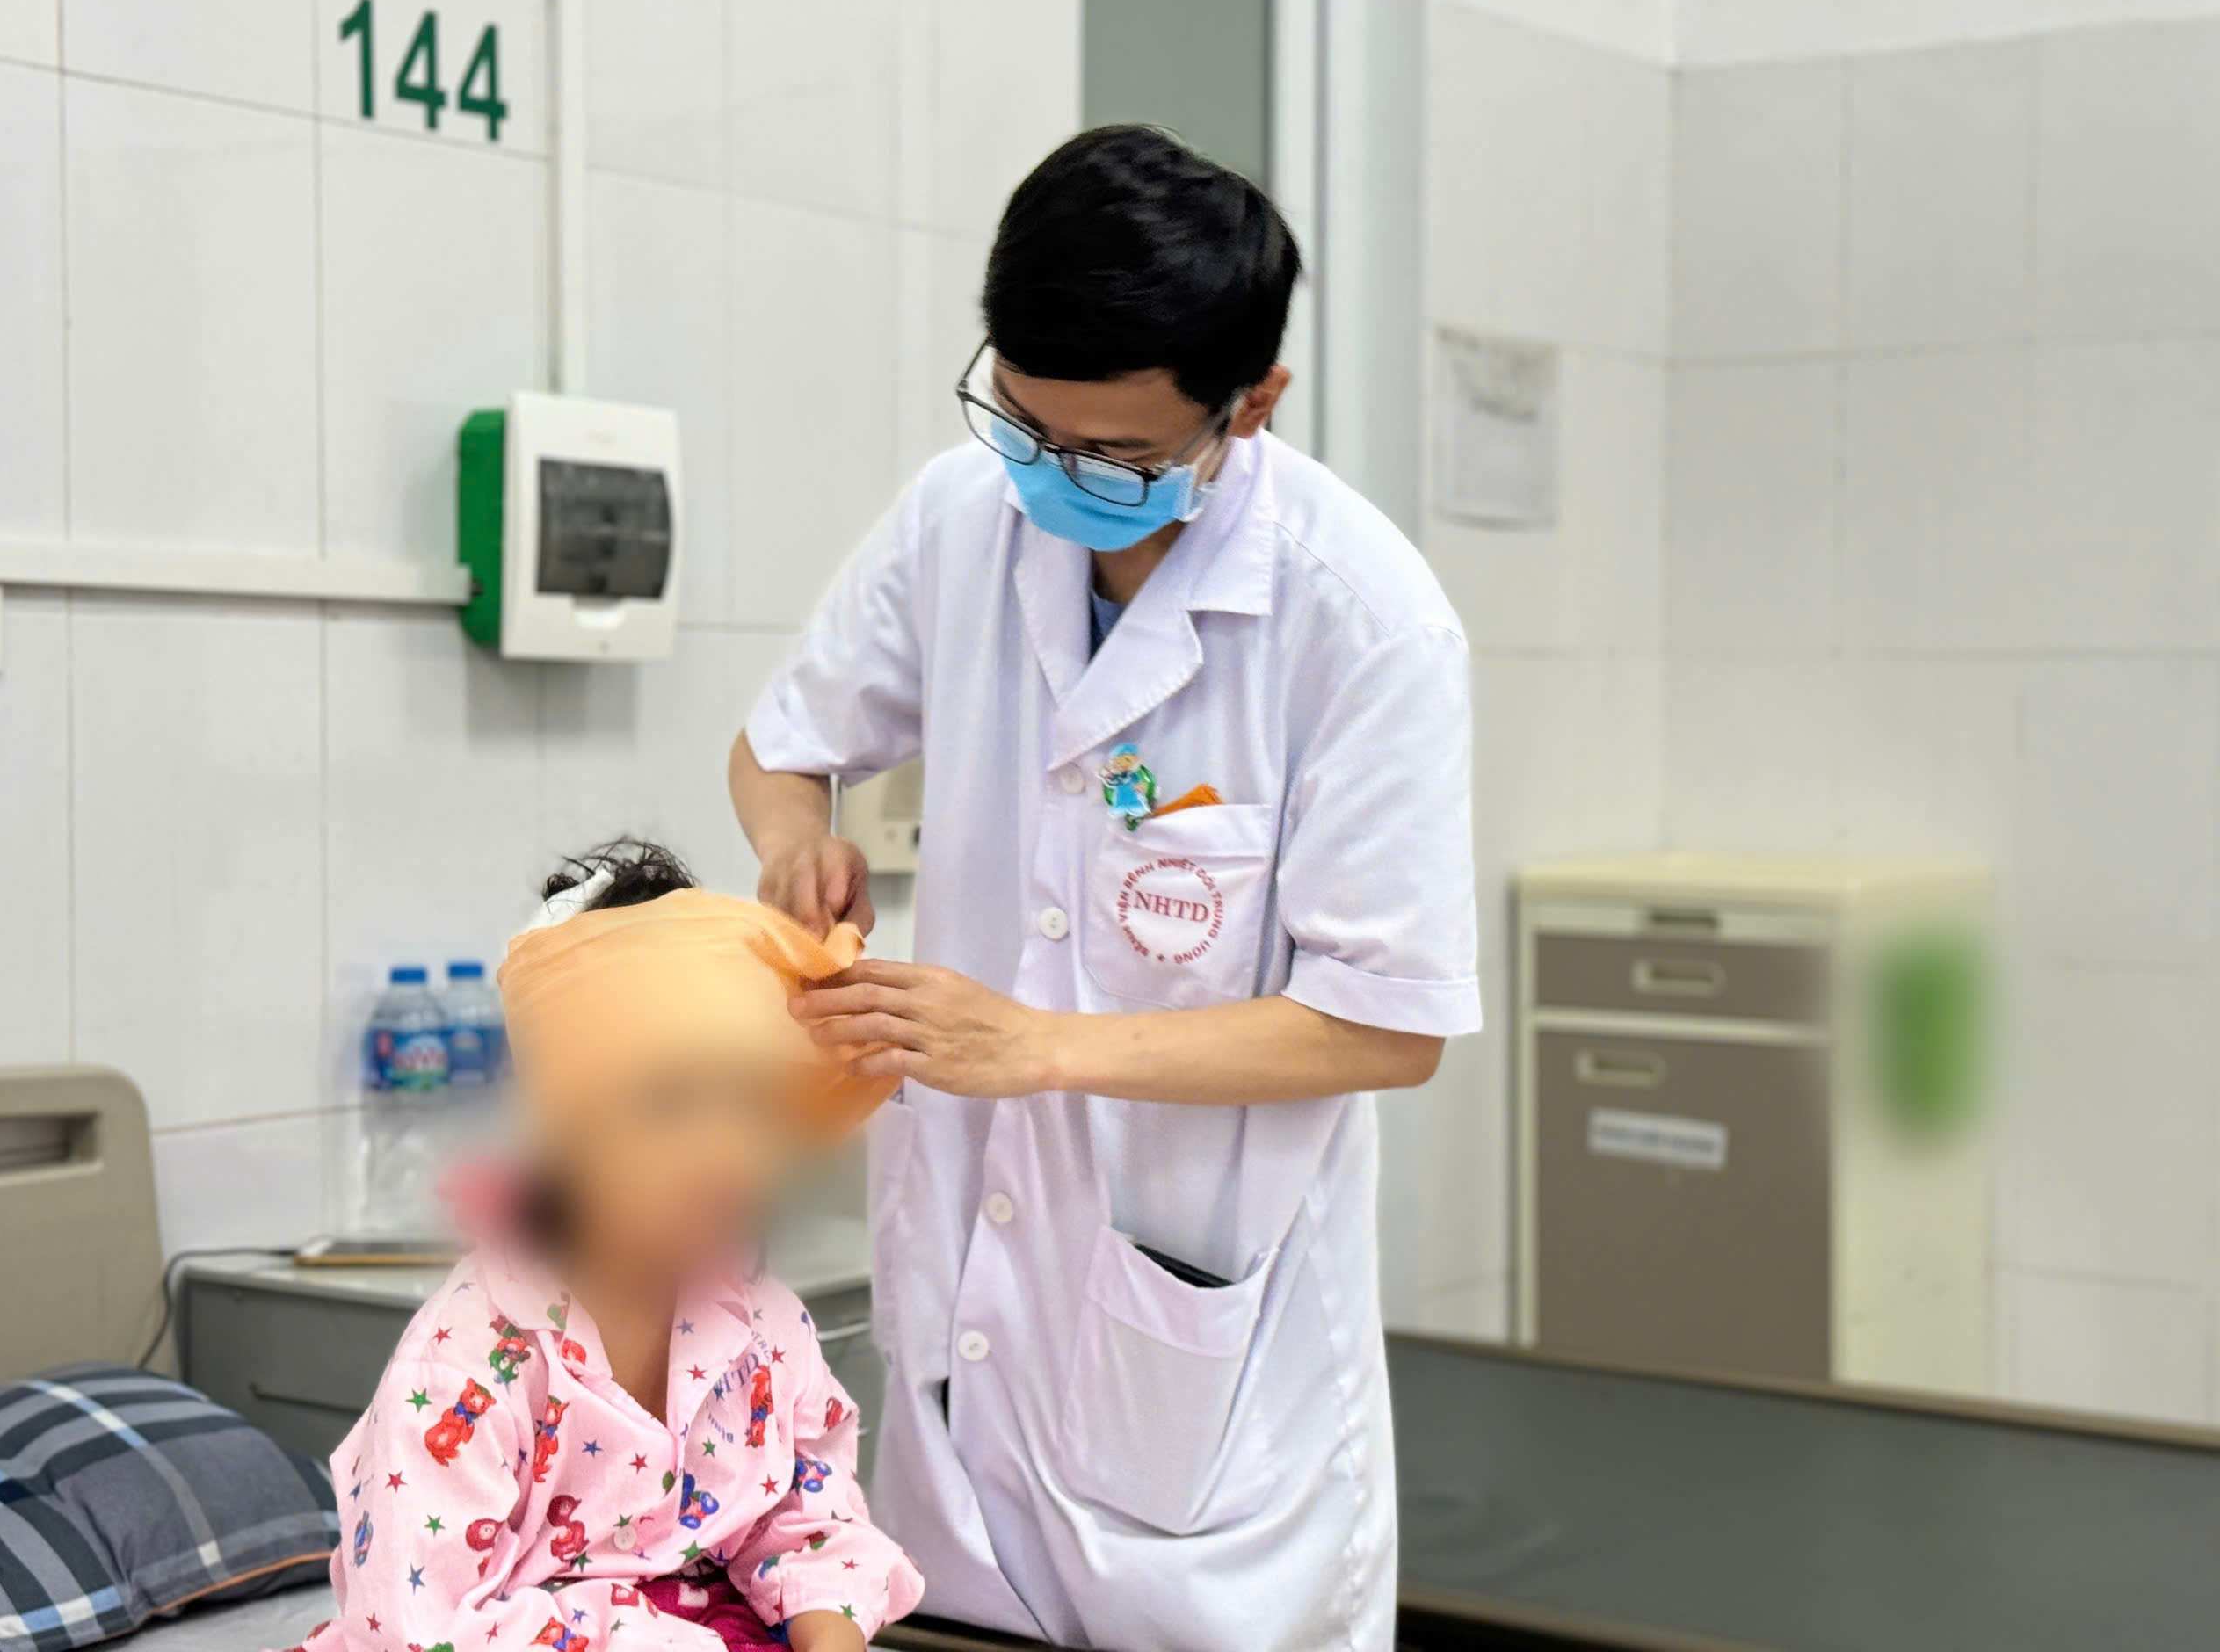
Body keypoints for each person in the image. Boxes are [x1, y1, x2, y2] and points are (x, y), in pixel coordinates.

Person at [730, 126, 1478, 1650]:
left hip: (1212, 1416)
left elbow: (1387, 1029)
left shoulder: (1364, 624)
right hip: (967, 1346)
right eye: (1022, 425)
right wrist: (790, 836)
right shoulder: (958, 514)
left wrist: (1044, 1047)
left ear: (1250, 406)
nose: (1052, 482)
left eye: (1115, 458)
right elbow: (777, 745)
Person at [276, 841, 923, 1652]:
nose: (726, 1154)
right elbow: (418, 1630)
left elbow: (807, 1522)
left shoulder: (765, 1328)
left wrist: (831, 1640)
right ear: (566, 1128)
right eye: (668, 1102)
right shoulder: (466, 1370)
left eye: (752, 1100)